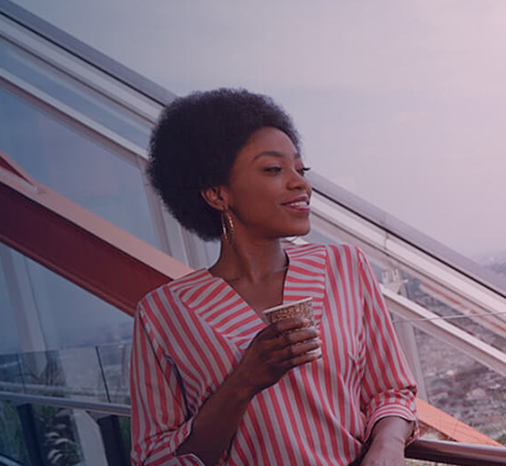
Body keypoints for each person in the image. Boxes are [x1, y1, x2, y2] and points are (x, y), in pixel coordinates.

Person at [131, 88, 417, 466]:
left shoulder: (344, 267)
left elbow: (392, 390)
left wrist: (387, 447)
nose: (301, 184)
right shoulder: (162, 315)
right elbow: (153, 457)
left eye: (301, 170)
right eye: (273, 169)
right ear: (217, 193)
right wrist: (243, 382)